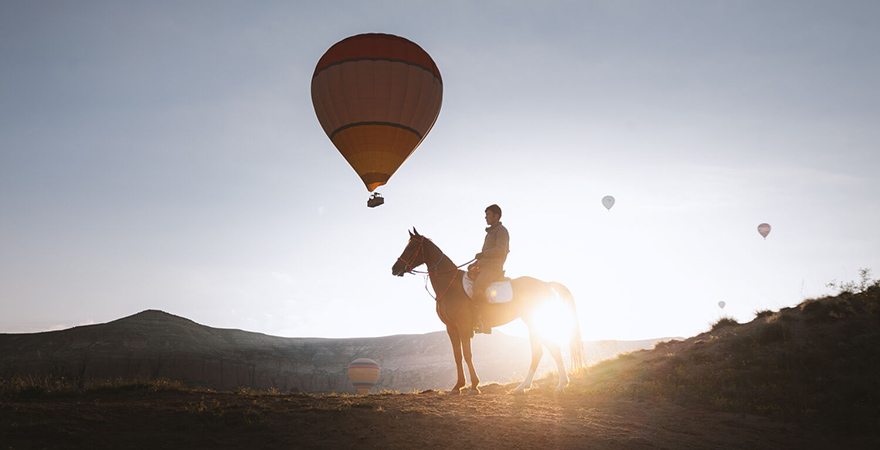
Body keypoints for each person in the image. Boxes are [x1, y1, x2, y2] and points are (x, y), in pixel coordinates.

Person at [471, 204, 509, 334]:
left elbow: (500, 250)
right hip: (485, 266)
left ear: (496, 216)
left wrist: (483, 255)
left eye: (488, 215)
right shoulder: (491, 232)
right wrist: (477, 262)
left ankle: (484, 322)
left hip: (493, 268)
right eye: (485, 215)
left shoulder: (501, 231)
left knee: (477, 288)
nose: (485, 217)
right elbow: (487, 254)